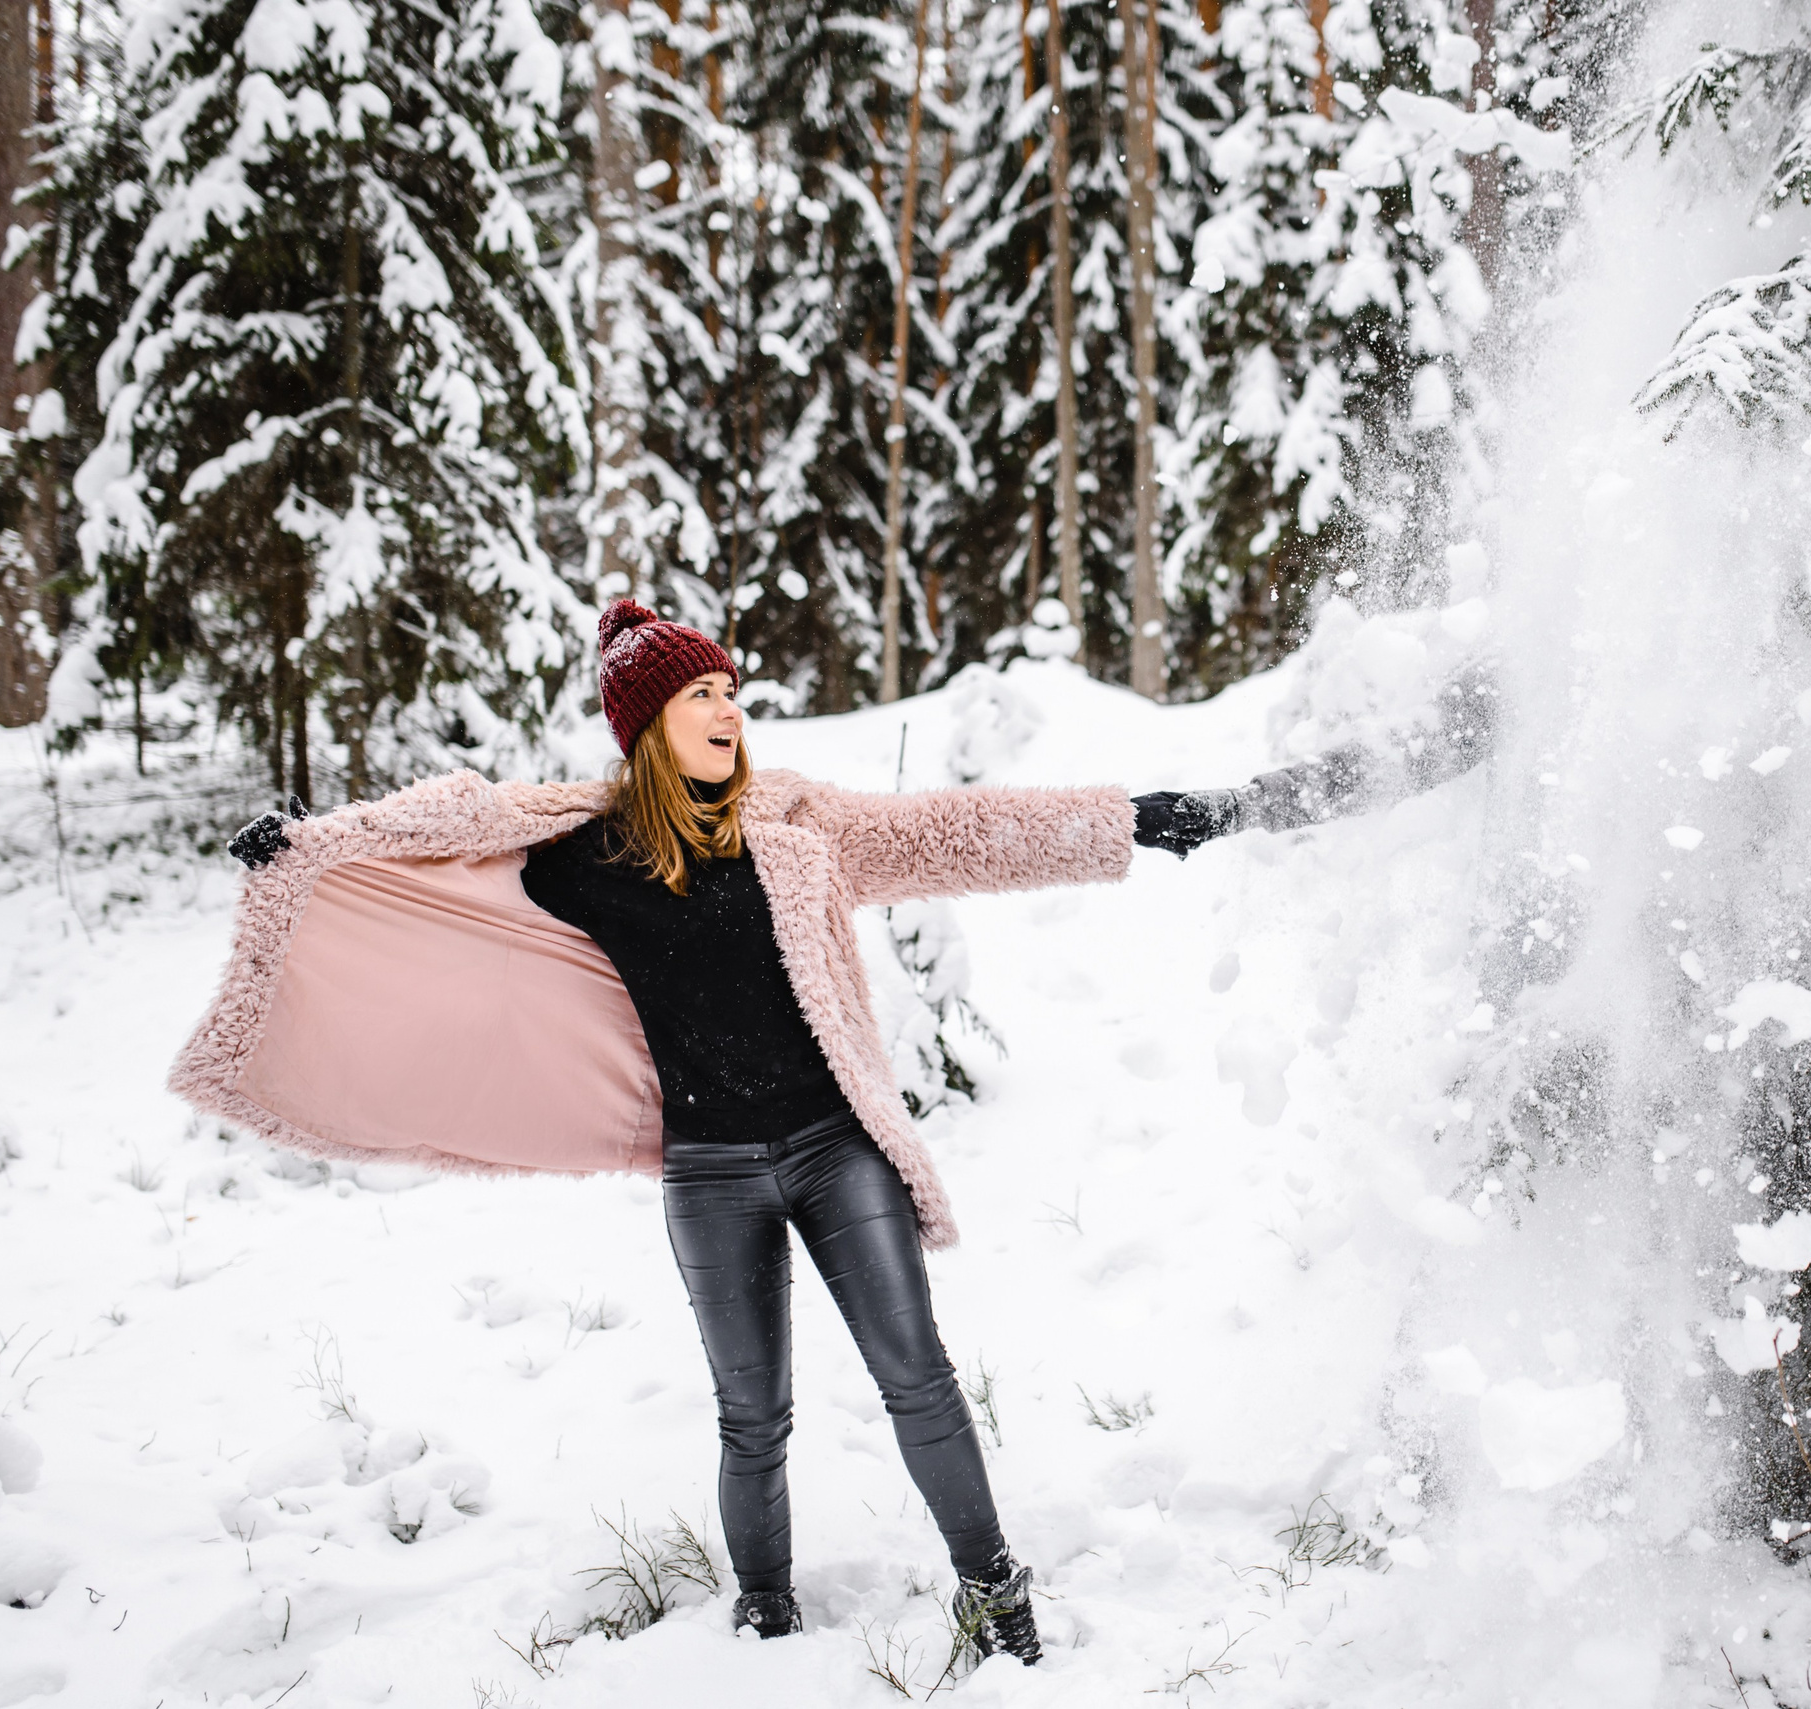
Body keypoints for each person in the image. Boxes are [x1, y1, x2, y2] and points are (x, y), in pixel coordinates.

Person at [193, 600, 1243, 1662]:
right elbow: (459, 826)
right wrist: (313, 842)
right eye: (701, 694)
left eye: (732, 692)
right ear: (645, 724)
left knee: (915, 1372)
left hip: (837, 1145)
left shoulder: (795, 823)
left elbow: (952, 832)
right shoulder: (583, 852)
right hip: (710, 1172)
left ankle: (996, 1594)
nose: (728, 711)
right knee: (753, 1417)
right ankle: (766, 1614)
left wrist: (1131, 819)